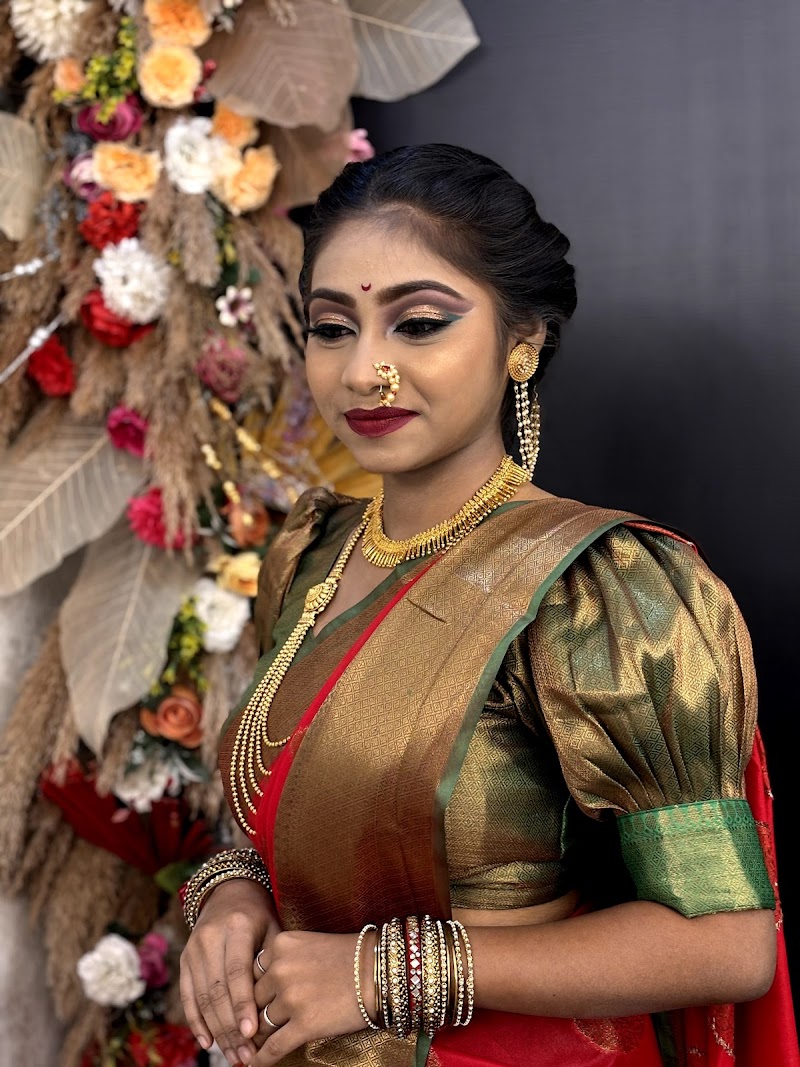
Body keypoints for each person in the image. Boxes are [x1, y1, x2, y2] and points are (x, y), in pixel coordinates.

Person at [179, 144, 797, 1067]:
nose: (364, 371)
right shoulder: (309, 556)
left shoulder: (593, 590)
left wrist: (392, 971)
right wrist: (234, 893)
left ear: (522, 341)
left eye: (419, 324)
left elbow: (728, 943)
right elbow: (303, 819)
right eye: (332, 327)